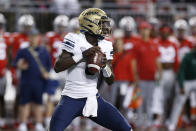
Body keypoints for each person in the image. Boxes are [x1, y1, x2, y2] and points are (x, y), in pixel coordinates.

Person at [49, 8, 132, 131]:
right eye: (102, 24)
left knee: (126, 129)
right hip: (71, 99)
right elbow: (58, 66)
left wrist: (105, 67)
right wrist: (82, 55)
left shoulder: (106, 45)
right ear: (90, 24)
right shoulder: (74, 39)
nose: (106, 27)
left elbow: (110, 80)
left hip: (93, 99)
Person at [13, 30, 52, 131]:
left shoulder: (43, 51)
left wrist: (47, 73)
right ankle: (23, 124)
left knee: (38, 103)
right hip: (26, 81)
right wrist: (20, 65)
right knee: (24, 103)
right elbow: (15, 63)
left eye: (35, 36)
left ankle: (38, 124)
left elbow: (49, 65)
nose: (33, 39)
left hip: (39, 82)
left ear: (39, 37)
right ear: (28, 38)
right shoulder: (23, 51)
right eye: (31, 36)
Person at [132, 21, 162, 129]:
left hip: (152, 78)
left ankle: (149, 122)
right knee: (140, 101)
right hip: (141, 78)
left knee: (150, 101)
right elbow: (134, 61)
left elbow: (157, 59)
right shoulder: (137, 45)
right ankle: (140, 122)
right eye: (143, 29)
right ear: (140, 31)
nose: (145, 31)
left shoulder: (154, 44)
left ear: (149, 30)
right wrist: (135, 76)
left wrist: (160, 72)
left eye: (146, 29)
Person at [44, 15, 69, 129]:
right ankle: (48, 121)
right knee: (51, 96)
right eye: (59, 26)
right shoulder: (50, 36)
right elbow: (46, 53)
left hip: (67, 71)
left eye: (63, 26)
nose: (61, 29)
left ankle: (64, 122)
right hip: (54, 70)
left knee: (68, 98)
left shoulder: (72, 37)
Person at [167, 46, 196, 131]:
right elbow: (181, 72)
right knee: (179, 101)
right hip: (186, 81)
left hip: (195, 80)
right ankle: (172, 124)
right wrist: (182, 86)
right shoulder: (188, 56)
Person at [0, 13, 11, 128]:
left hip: (2, 72)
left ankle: (2, 119)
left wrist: (8, 68)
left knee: (1, 97)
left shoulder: (7, 37)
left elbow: (10, 54)